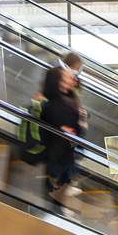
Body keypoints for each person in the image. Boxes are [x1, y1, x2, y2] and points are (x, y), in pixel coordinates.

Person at [40, 60, 84, 206]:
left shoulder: (64, 98)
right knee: (59, 173)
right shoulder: (57, 104)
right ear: (59, 83)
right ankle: (55, 198)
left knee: (63, 170)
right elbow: (64, 127)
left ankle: (59, 190)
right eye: (66, 78)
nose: (72, 79)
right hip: (59, 152)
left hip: (62, 151)